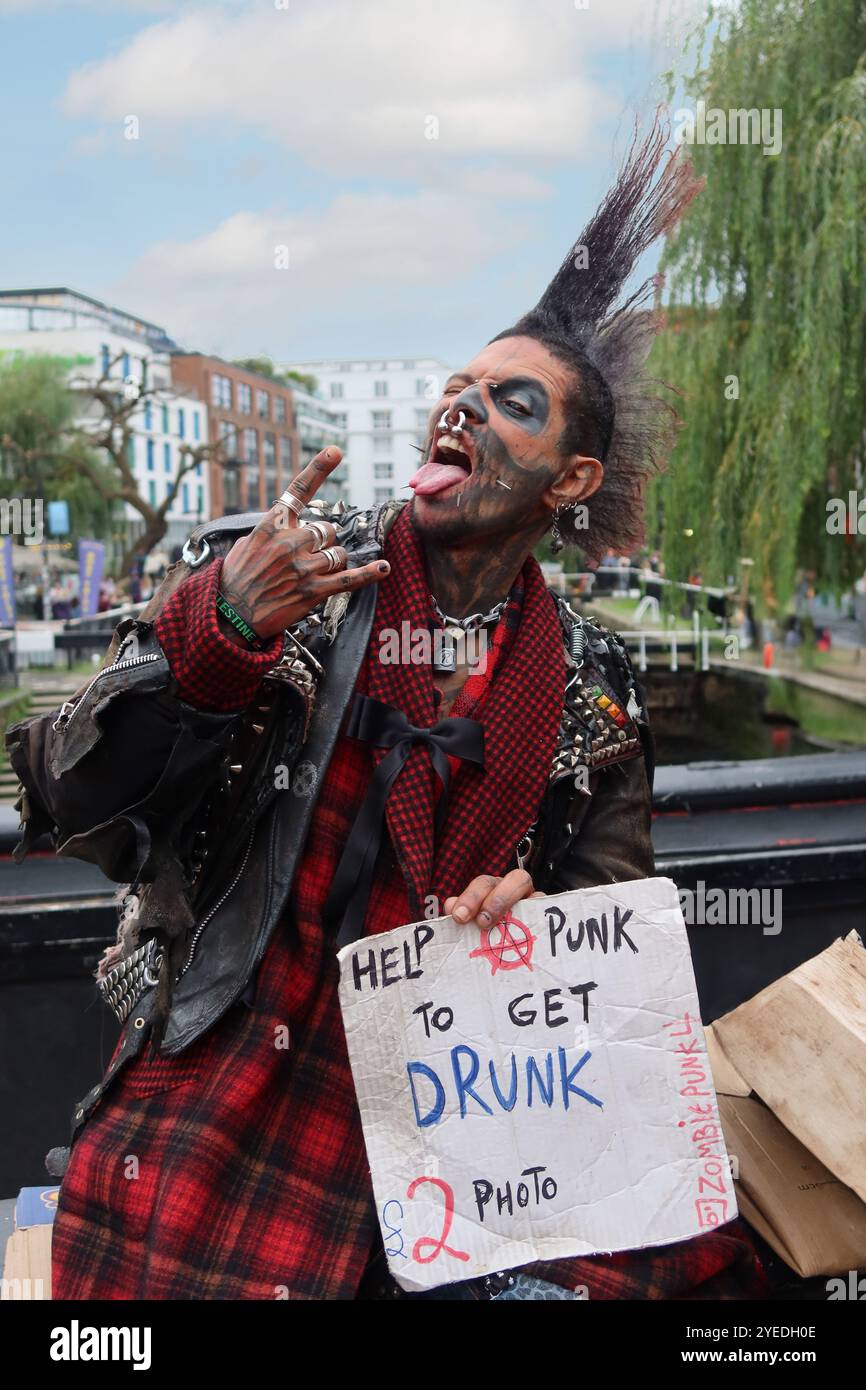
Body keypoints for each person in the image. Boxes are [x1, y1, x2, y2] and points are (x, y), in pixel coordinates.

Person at [7, 117, 765, 1301]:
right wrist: (219, 636)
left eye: (510, 401)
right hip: (226, 1095)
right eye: (454, 388)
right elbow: (66, 796)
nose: (459, 407)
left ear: (568, 481)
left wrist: (539, 910)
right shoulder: (283, 575)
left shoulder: (598, 690)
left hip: (445, 1135)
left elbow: (610, 927)